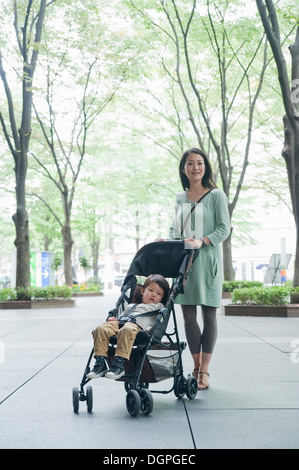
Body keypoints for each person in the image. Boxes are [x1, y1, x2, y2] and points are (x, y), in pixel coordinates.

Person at [169, 148, 230, 390]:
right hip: (186, 265)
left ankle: (205, 370)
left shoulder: (216, 196)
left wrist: (201, 242)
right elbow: (175, 229)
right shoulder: (180, 198)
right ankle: (194, 366)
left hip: (208, 263)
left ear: (206, 167)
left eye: (200, 163)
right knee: (188, 316)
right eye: (190, 164)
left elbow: (224, 229)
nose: (195, 168)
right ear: (183, 169)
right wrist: (169, 242)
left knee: (209, 315)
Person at [87, 274, 170, 380]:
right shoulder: (131, 306)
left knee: (127, 329)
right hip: (121, 323)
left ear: (162, 298)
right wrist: (114, 320)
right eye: (150, 290)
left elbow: (158, 321)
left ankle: (119, 363)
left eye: (159, 294)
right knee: (101, 329)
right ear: (142, 291)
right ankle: (100, 362)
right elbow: (121, 318)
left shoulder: (159, 307)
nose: (153, 295)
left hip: (137, 327)